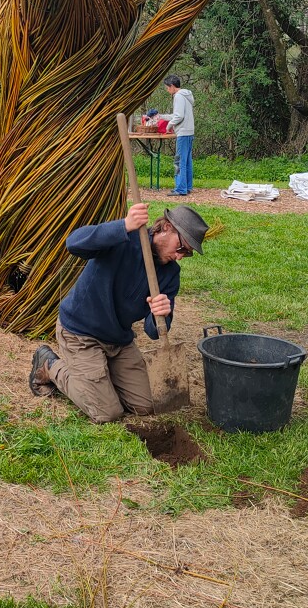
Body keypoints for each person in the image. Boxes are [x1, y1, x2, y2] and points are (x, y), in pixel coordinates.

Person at [29, 203, 209, 423]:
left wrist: (160, 314)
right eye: (181, 248)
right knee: (108, 413)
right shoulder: (124, 239)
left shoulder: (171, 275)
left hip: (118, 341)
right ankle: (50, 365)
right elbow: (73, 244)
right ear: (166, 228)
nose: (180, 257)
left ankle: (100, 380)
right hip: (81, 334)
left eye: (187, 254)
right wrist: (123, 225)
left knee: (148, 404)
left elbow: (153, 332)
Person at [163, 74, 195, 196]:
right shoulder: (186, 95)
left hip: (183, 132)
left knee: (179, 161)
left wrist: (168, 126)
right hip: (189, 131)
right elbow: (177, 114)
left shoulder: (178, 96)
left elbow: (178, 116)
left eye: (167, 88)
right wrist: (162, 117)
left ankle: (181, 188)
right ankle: (187, 186)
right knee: (187, 160)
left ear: (172, 86)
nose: (167, 90)